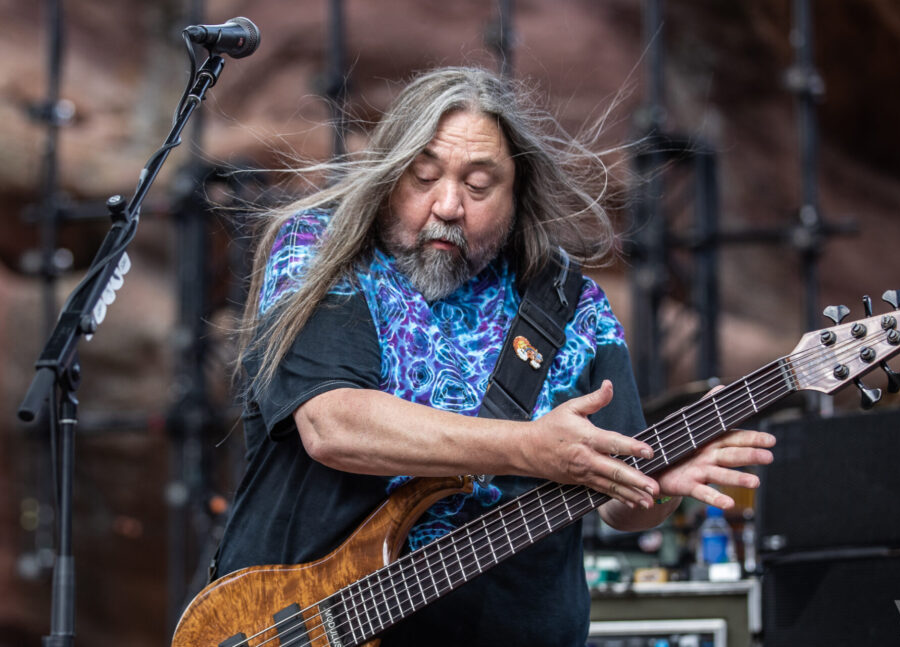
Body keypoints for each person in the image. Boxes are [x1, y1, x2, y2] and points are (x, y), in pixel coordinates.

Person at [214, 66, 775, 646]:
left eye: (479, 186)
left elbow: (617, 504)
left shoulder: (573, 307)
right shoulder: (323, 253)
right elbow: (332, 425)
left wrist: (654, 488)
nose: (449, 204)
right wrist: (529, 448)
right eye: (422, 176)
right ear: (386, 178)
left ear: (517, 194)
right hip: (296, 624)